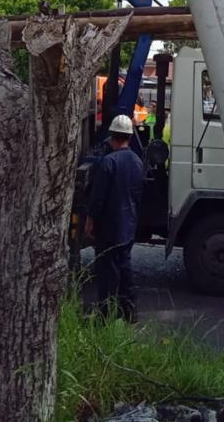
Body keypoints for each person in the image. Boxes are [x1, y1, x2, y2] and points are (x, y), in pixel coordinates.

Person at [84, 115, 144, 321]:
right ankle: (129, 311)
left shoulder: (109, 163)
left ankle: (105, 314)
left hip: (109, 228)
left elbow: (98, 198)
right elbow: (138, 195)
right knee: (125, 268)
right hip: (128, 225)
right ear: (129, 136)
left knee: (107, 271)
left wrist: (90, 221)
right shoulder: (137, 161)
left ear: (112, 136)